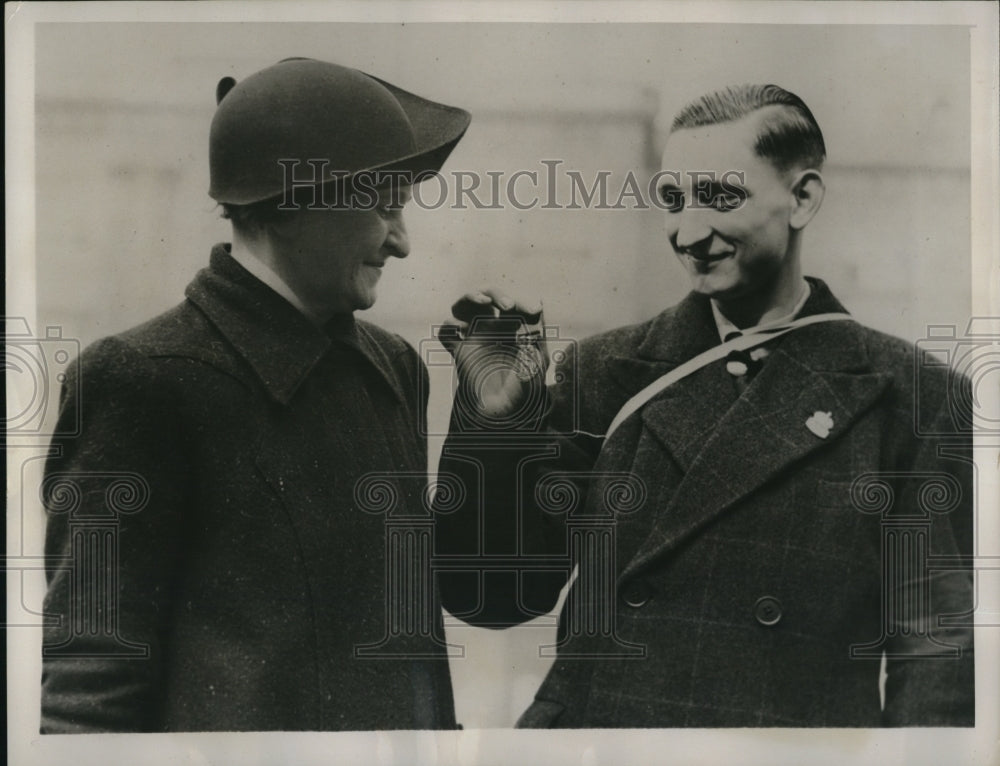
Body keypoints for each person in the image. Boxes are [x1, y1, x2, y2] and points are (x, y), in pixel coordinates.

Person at [434, 84, 974, 727]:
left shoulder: (910, 393)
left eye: (720, 196)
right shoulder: (606, 371)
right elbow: (495, 596)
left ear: (802, 198)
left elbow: (934, 644)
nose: (689, 231)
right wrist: (496, 426)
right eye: (672, 199)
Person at [40, 57, 470, 732]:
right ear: (299, 200)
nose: (402, 242)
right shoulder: (140, 379)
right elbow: (88, 691)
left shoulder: (392, 368)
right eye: (384, 205)